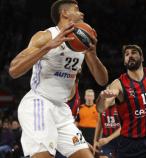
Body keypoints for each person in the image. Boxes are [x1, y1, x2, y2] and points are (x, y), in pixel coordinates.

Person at [8, 0, 108, 157]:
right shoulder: (46, 36)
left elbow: (102, 81)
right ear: (65, 13)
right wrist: (48, 47)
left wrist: (93, 55)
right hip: (39, 103)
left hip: (62, 110)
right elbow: (14, 70)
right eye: (77, 9)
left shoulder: (81, 43)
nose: (82, 13)